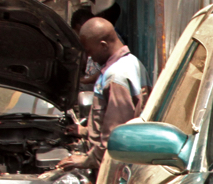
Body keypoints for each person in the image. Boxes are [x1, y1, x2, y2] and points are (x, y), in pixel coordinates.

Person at [59, 17, 149, 170]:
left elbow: (115, 134)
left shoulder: (116, 76)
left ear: (103, 45)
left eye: (89, 51)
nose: (89, 57)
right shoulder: (132, 63)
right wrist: (85, 131)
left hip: (112, 168)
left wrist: (87, 161)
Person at [69, 5, 101, 91]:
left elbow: (106, 69)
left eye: (78, 33)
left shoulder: (99, 38)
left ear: (81, 27)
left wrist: (83, 81)